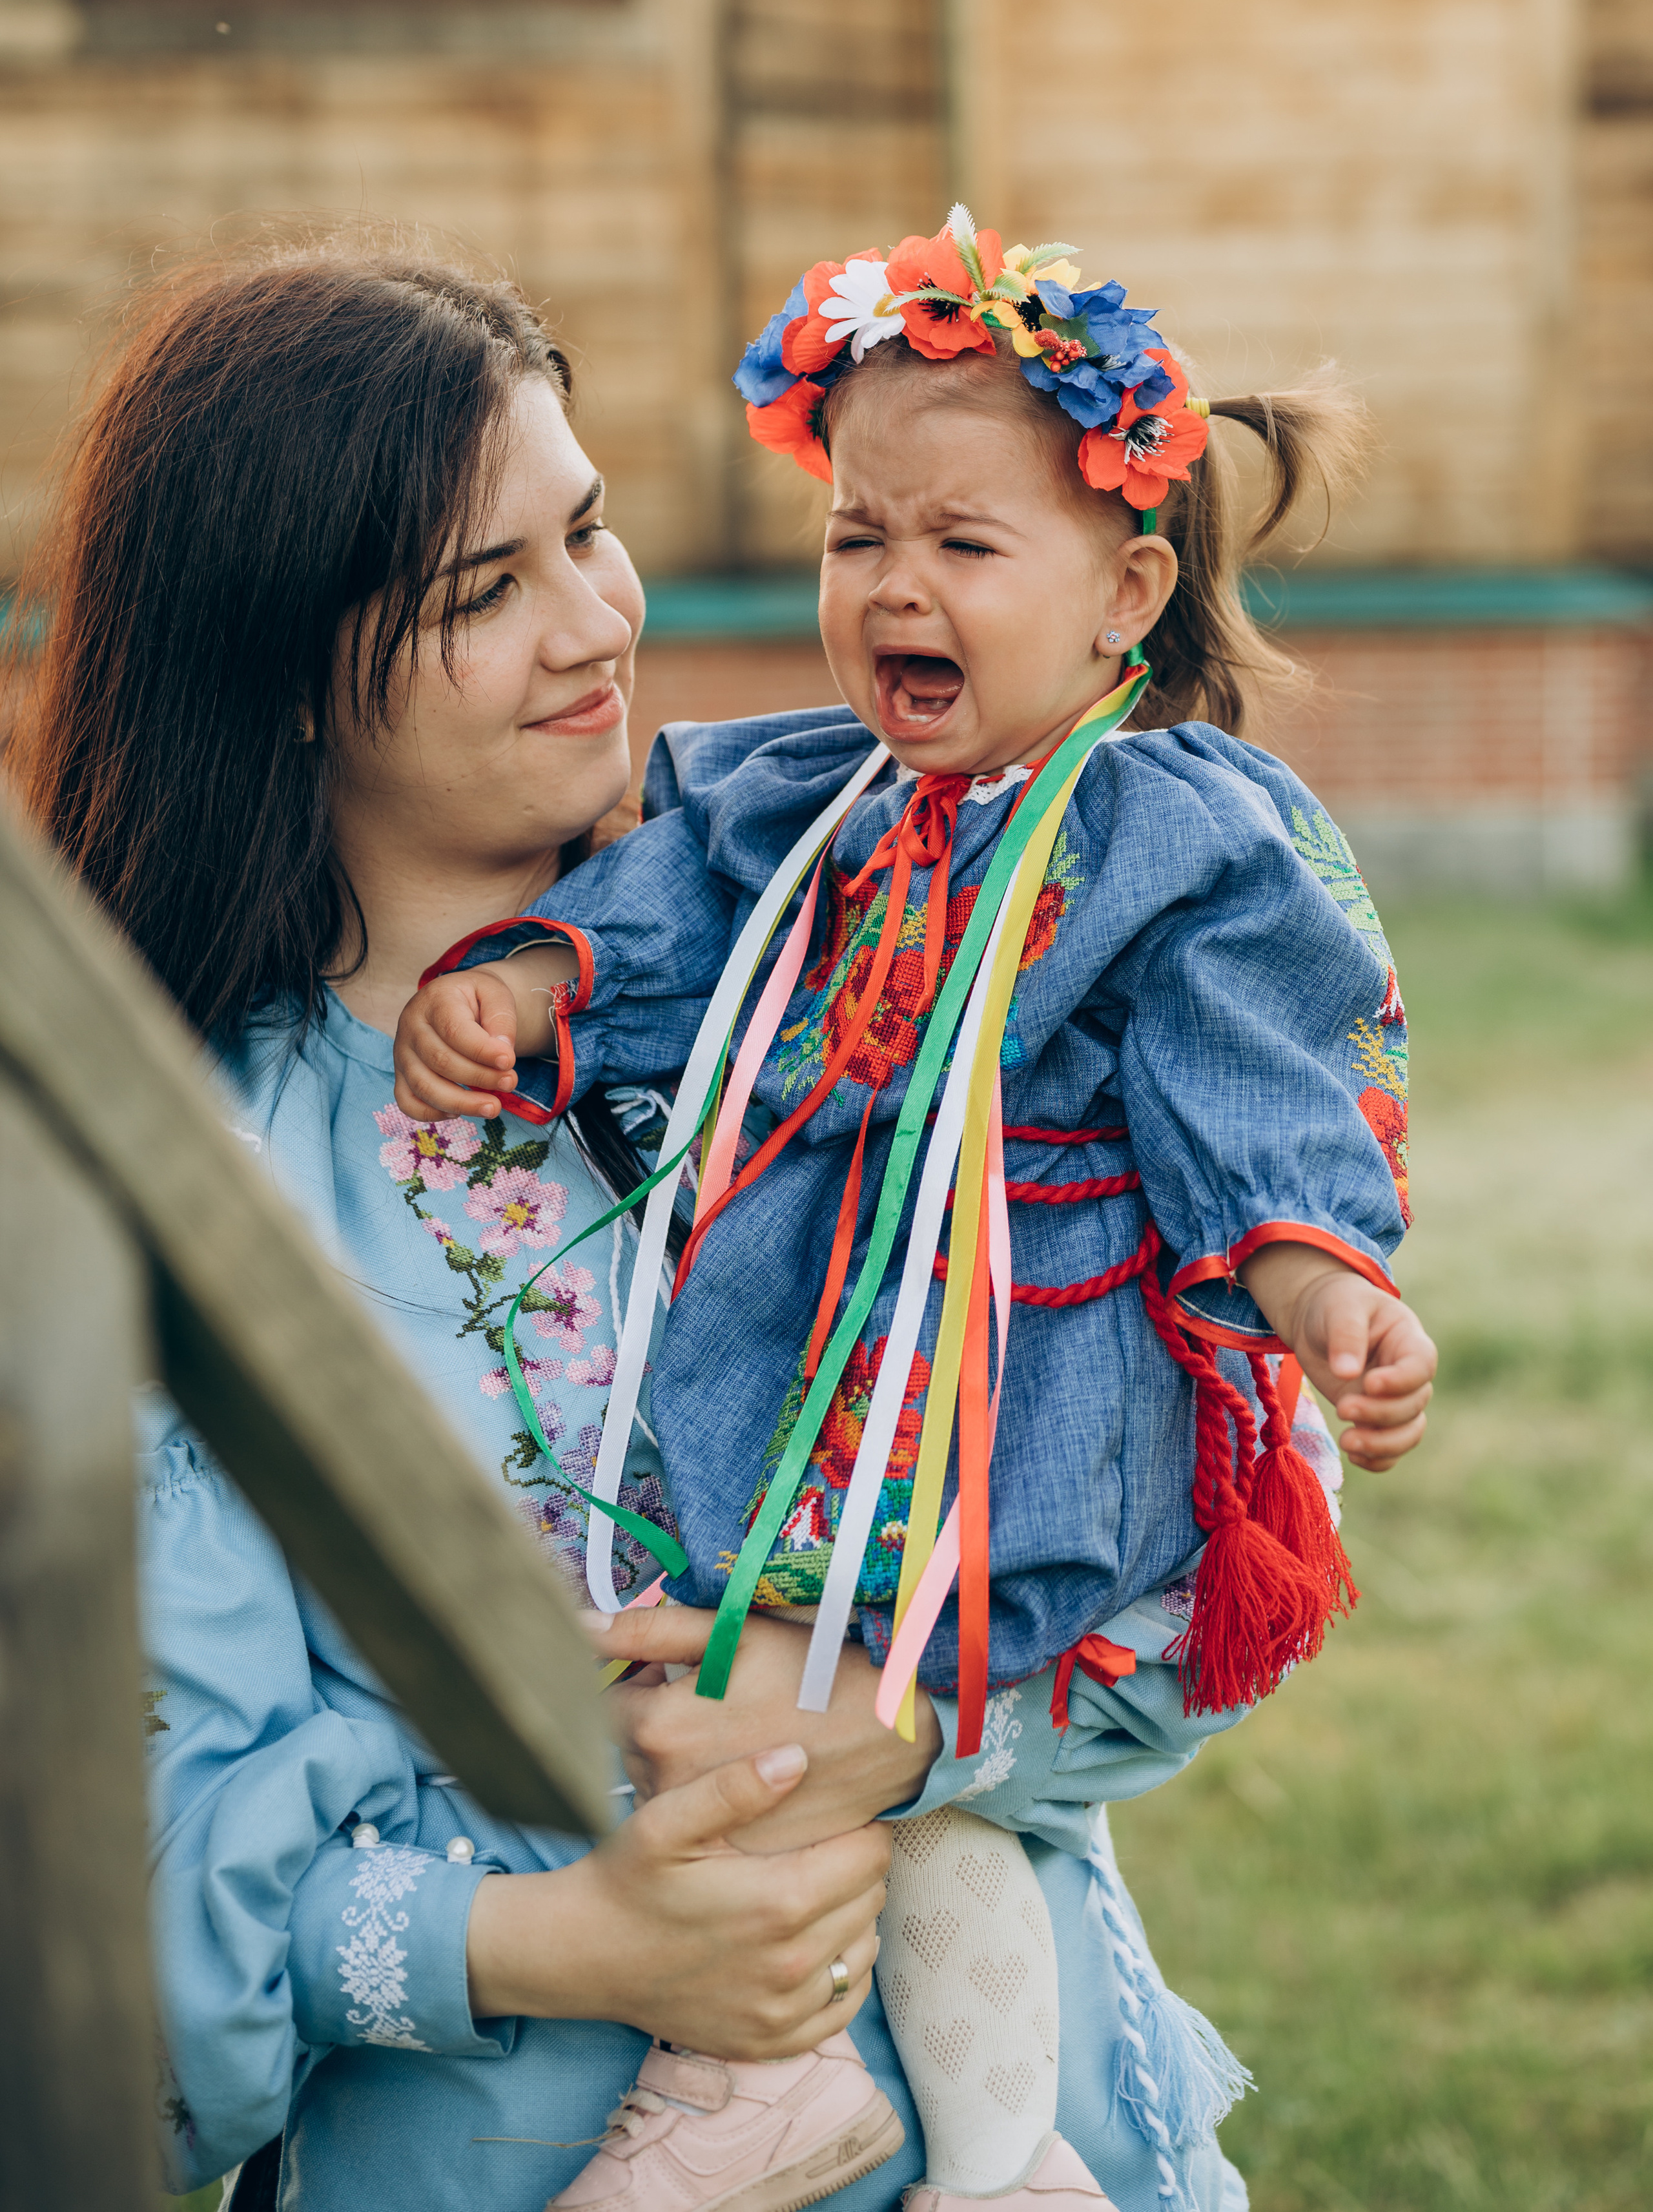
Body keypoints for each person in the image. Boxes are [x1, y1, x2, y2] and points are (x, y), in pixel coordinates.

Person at [23, 238, 1255, 2212]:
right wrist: (556, 1943)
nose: (598, 624)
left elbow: (1189, 1582)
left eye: (587, 532)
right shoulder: (176, 1186)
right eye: (483, 591)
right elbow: (112, 1873)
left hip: (1041, 2142)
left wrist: (920, 1731)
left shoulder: (863, 958)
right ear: (274, 668)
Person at [396, 209, 1436, 2211]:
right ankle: (1000, 2153)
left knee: (750, 1725)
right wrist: (535, 985)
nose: (893, 589)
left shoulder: (1177, 835)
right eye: (858, 538)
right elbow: (667, 911)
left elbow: (1255, 1076)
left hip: (1019, 1393)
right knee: (884, 1787)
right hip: (818, 1372)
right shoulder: (807, 803)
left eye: (963, 546)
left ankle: (744, 2086)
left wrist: (1316, 1280)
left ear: (1128, 588)